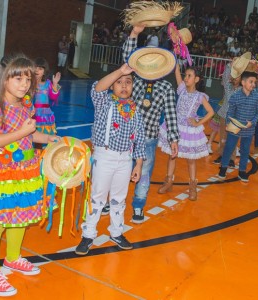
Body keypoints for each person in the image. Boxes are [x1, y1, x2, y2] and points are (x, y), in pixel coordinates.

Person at [0, 54, 59, 296]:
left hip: (25, 171)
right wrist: (23, 131)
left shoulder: (25, 104)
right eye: (18, 78)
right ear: (4, 79)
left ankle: (12, 258)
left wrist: (50, 139)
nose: (25, 84)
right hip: (3, 173)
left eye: (27, 78)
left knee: (19, 216)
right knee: (0, 219)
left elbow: (30, 136)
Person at [75, 63, 146, 255]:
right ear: (112, 86)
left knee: (119, 199)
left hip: (125, 159)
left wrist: (138, 164)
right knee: (97, 197)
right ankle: (88, 234)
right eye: (119, 82)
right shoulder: (105, 102)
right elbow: (97, 88)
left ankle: (116, 232)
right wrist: (120, 71)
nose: (124, 86)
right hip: (104, 156)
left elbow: (139, 138)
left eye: (128, 82)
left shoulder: (135, 110)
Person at [122, 25, 179, 224]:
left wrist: (173, 139)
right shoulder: (134, 80)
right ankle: (112, 202)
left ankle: (138, 206)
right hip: (126, 136)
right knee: (120, 170)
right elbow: (127, 60)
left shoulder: (166, 87)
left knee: (144, 175)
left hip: (148, 139)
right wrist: (134, 34)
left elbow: (171, 114)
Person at [158, 64, 214, 200]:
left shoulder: (200, 96)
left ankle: (193, 185)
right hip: (175, 126)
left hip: (189, 130)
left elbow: (211, 112)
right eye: (185, 75)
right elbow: (177, 70)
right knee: (172, 154)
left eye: (189, 76)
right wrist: (176, 55)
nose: (186, 78)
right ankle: (169, 181)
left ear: (196, 79)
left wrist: (197, 122)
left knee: (191, 159)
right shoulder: (182, 89)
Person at [218, 71, 258, 183]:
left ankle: (242, 171)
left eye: (254, 82)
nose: (253, 84)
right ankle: (223, 168)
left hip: (249, 129)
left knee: (245, 150)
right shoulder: (235, 96)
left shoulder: (257, 98)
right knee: (229, 148)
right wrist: (229, 123)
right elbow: (230, 111)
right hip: (235, 128)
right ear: (243, 82)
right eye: (250, 82)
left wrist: (252, 122)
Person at [33, 57, 61, 140]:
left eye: (40, 68)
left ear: (44, 71)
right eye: (35, 68)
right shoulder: (30, 83)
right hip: (33, 113)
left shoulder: (48, 83)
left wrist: (55, 84)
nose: (37, 70)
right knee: (35, 136)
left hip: (45, 114)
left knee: (49, 135)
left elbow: (53, 97)